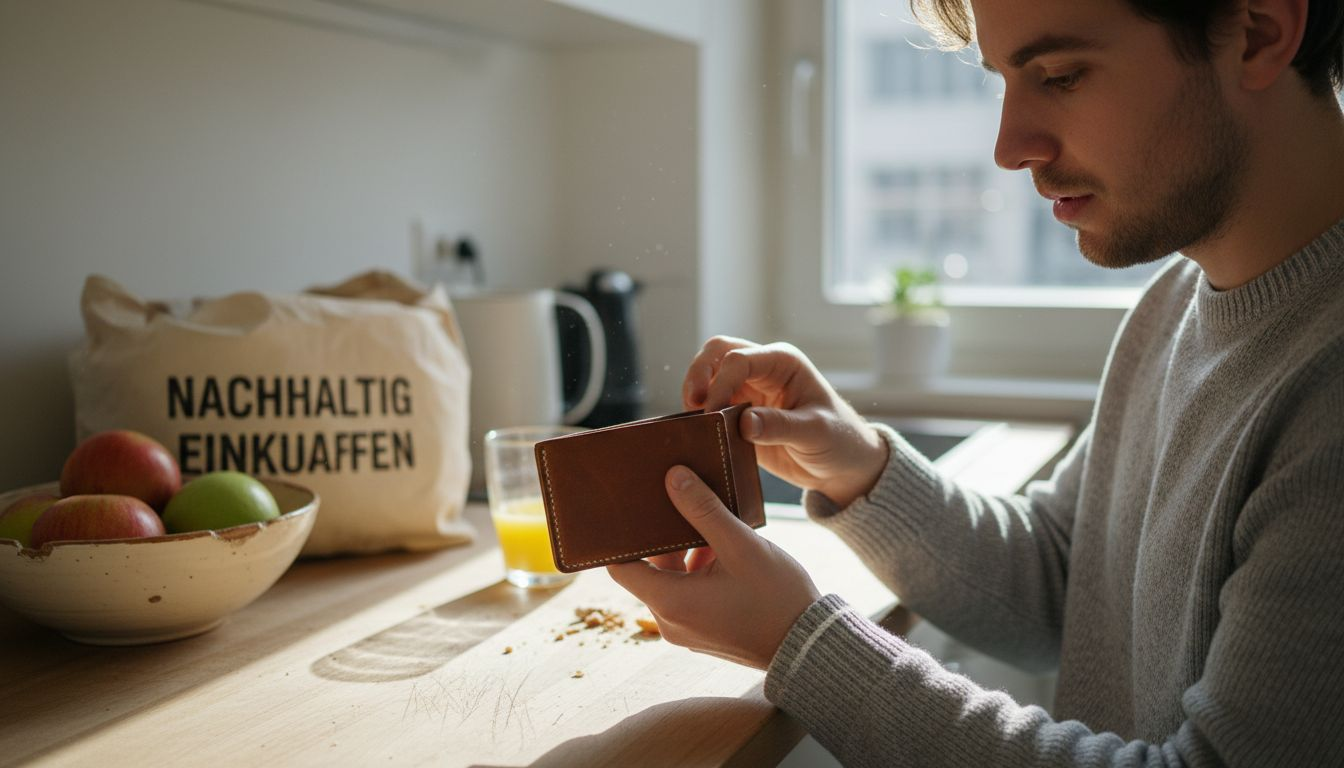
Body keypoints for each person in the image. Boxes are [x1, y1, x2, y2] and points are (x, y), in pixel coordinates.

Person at [607, 0, 1344, 764]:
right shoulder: (1174, 303)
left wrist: (805, 642)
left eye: (1060, 76)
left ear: (1257, 32)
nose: (1008, 147)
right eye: (1003, 82)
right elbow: (1063, 579)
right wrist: (861, 468)